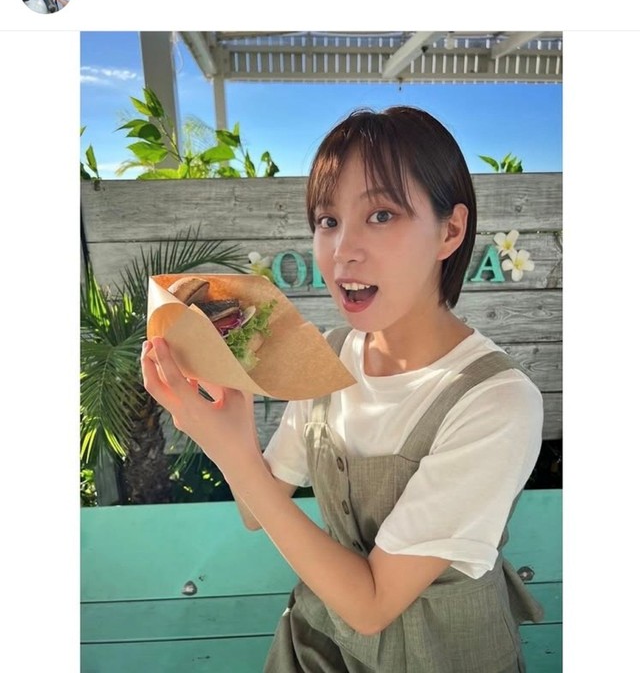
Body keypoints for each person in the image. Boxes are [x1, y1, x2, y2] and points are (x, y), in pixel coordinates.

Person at [141, 106, 544, 672]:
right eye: (328, 220)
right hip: (316, 649)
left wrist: (230, 451)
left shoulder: (496, 401)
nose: (342, 249)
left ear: (450, 231)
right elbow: (258, 509)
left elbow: (372, 606)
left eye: (381, 214)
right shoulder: (325, 355)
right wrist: (232, 426)